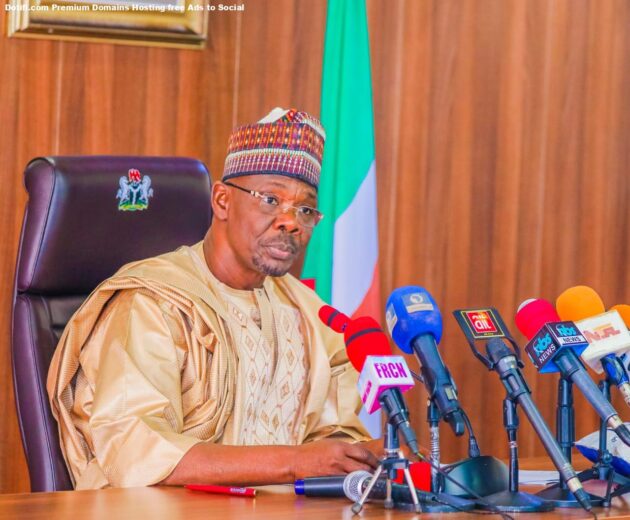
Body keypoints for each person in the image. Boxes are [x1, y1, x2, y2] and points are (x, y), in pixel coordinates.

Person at [47, 108, 381, 489]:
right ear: (222, 201)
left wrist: (375, 456)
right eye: (271, 200)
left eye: (305, 209)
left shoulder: (313, 316)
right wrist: (294, 463)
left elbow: (333, 439)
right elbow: (135, 451)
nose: (291, 222)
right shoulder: (154, 303)